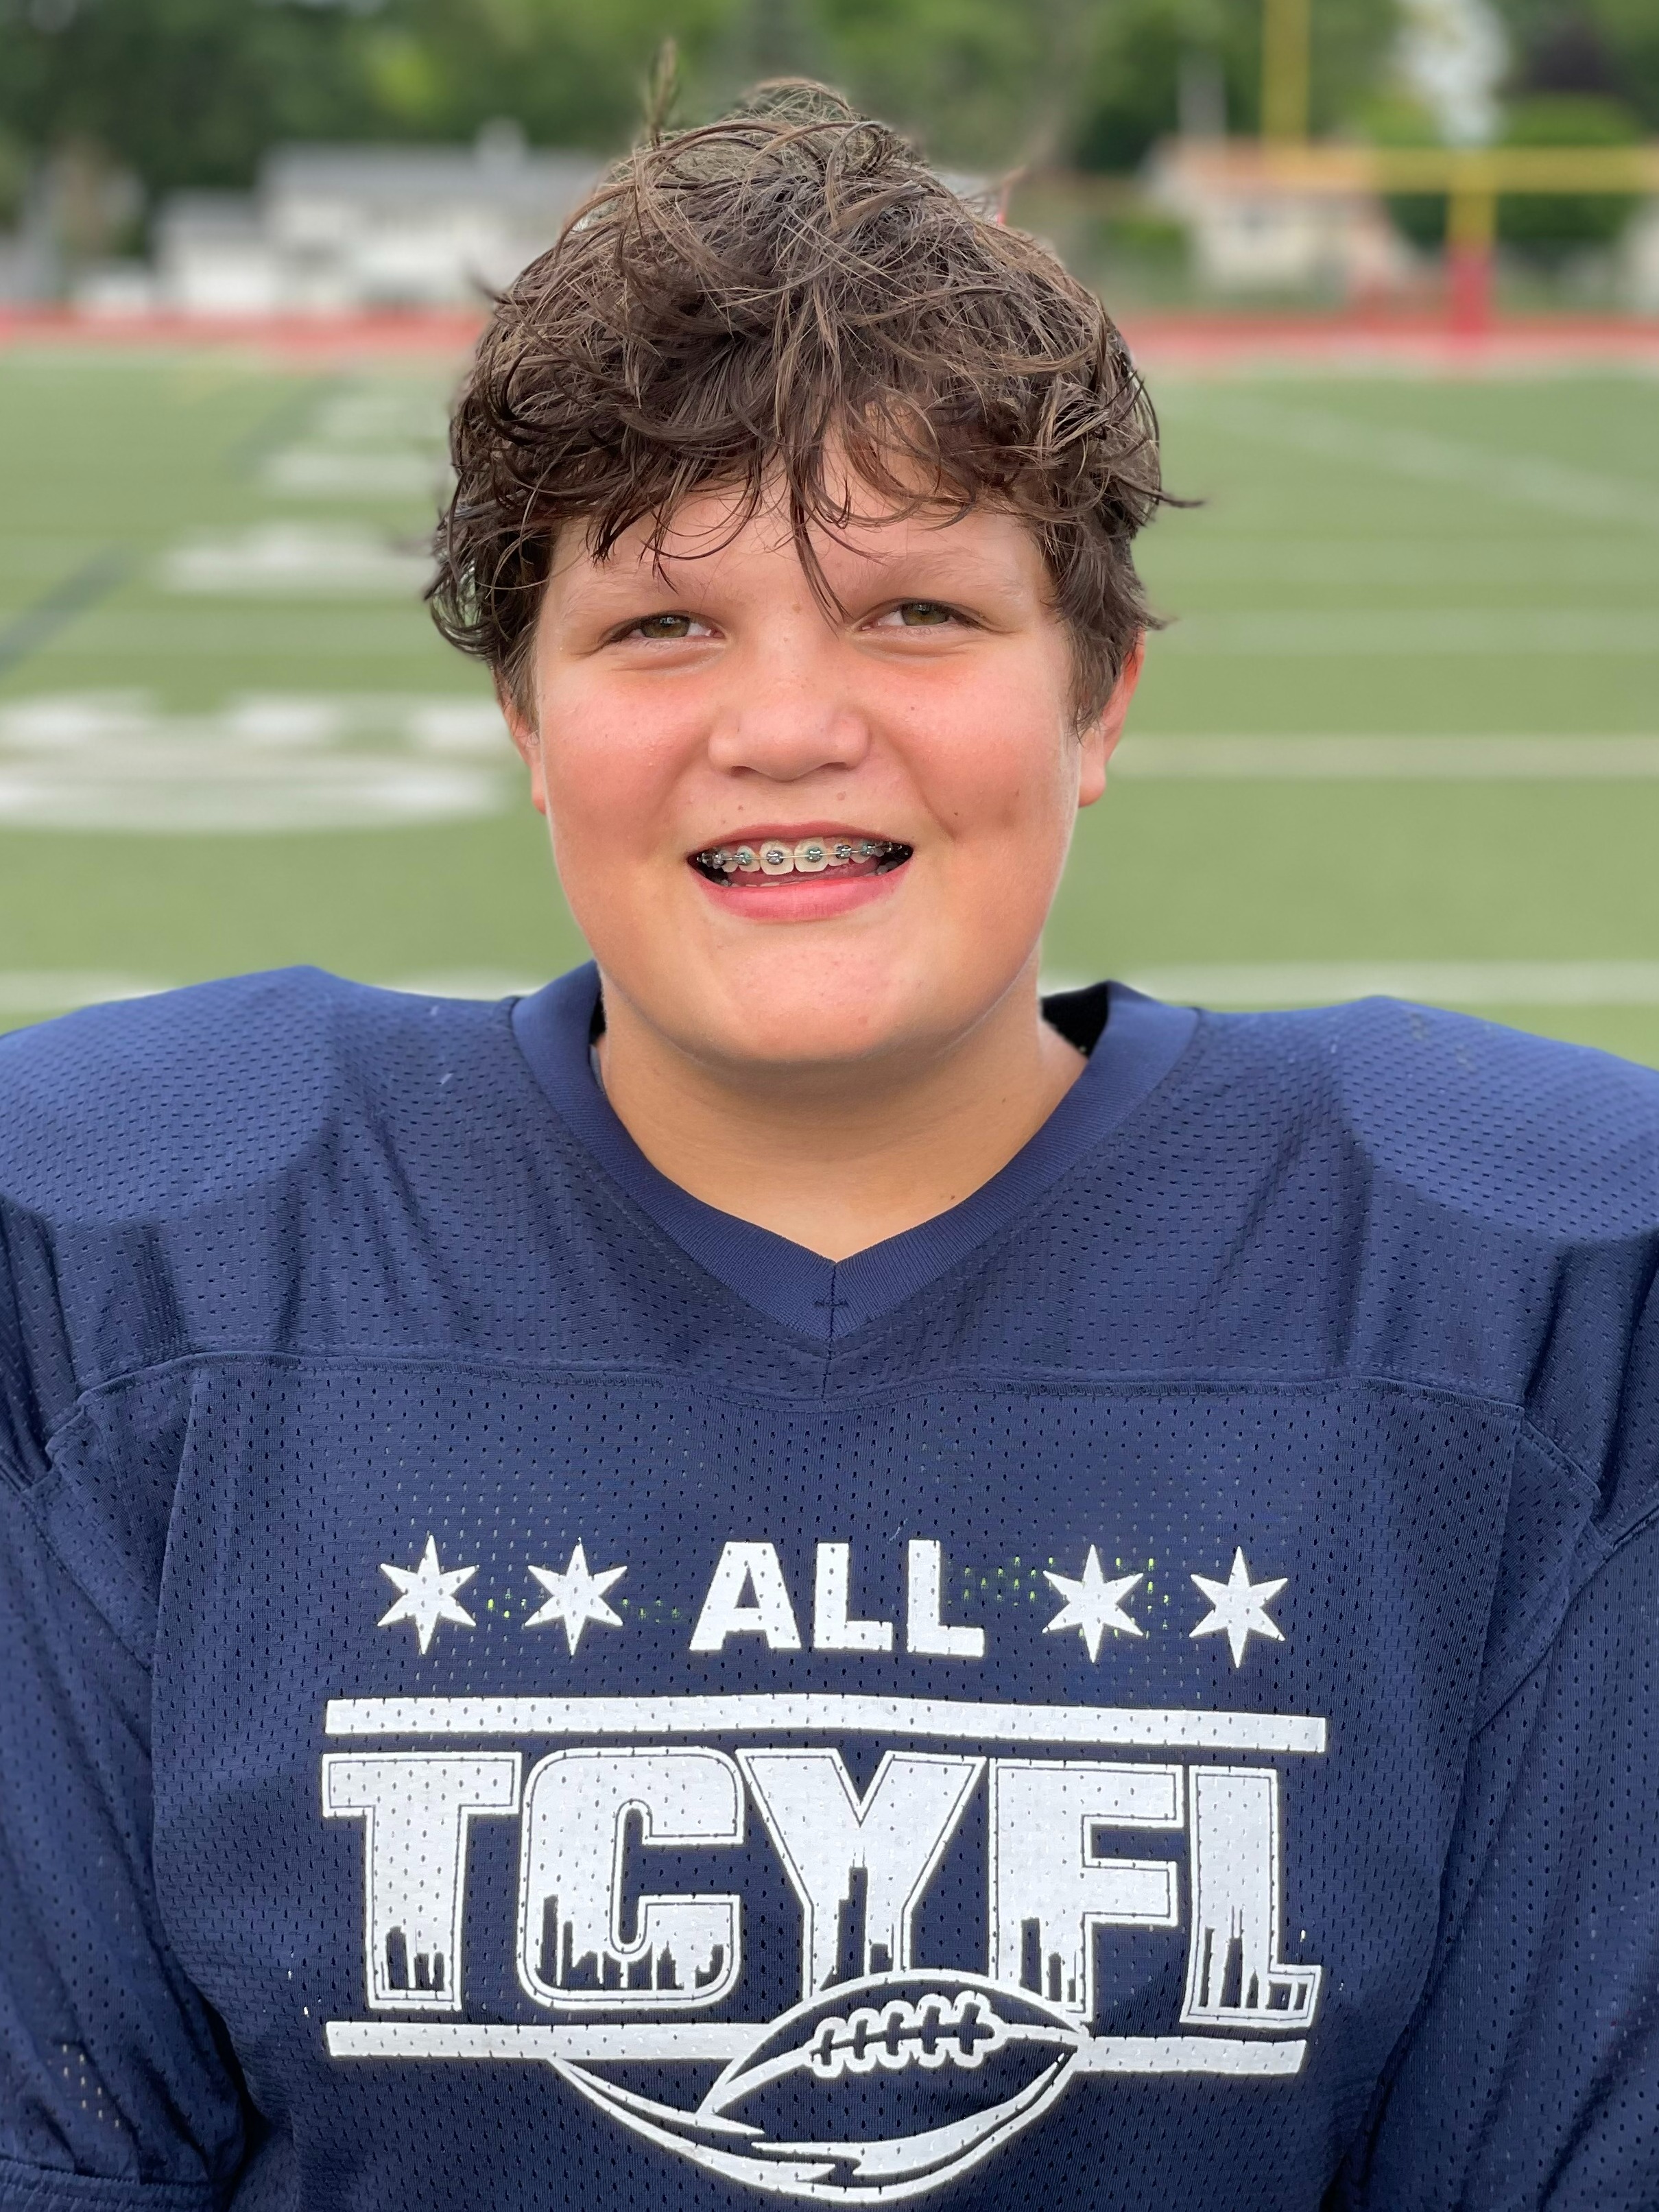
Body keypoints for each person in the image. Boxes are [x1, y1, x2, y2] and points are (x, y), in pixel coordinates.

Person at [1, 86, 1656, 2212]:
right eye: (659, 625)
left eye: (914, 613)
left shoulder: (1496, 1294)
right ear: (528, 719)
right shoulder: (151, 1265)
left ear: (1097, 697)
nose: (786, 724)